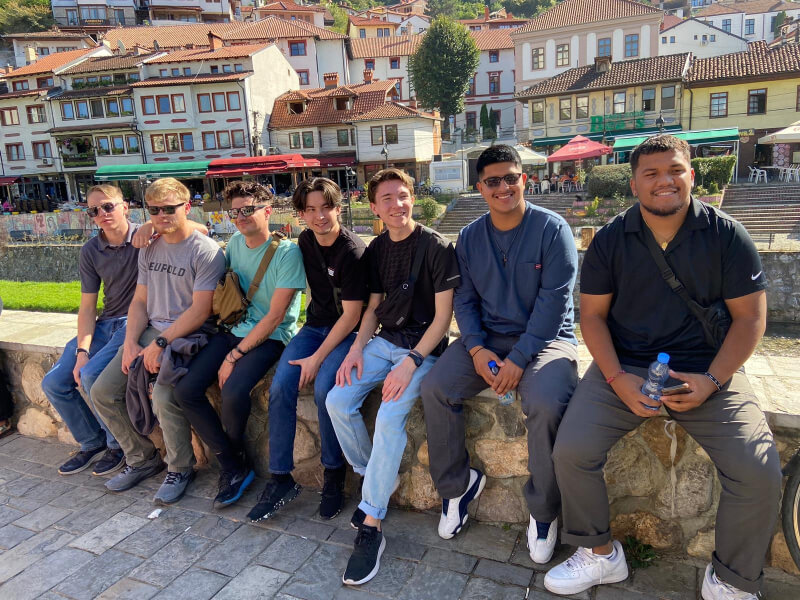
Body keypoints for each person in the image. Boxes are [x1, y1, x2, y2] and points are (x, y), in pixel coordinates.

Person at [544, 135, 781, 599]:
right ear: (634, 185)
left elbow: (751, 318)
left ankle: (731, 579)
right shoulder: (611, 239)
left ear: (691, 174)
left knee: (757, 469)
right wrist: (616, 378)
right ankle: (599, 555)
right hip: (626, 367)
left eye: (674, 170)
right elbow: (590, 316)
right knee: (571, 451)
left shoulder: (726, 234)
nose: (664, 181)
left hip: (707, 368)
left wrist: (713, 380)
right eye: (651, 173)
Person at [421, 144, 579, 563]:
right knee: (436, 387)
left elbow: (554, 304)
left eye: (512, 177)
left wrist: (519, 359)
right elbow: (465, 300)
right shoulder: (471, 237)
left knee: (544, 401)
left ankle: (544, 511)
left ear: (524, 179)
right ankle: (456, 488)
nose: (504, 187)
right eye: (494, 181)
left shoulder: (552, 229)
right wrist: (474, 347)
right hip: (488, 338)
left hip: (546, 342)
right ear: (480, 187)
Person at [326, 168, 460, 586]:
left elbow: (443, 319)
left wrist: (413, 360)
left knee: (388, 417)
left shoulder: (436, 247)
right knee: (337, 400)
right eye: (387, 199)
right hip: (384, 342)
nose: (397, 205)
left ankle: (373, 524)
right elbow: (373, 309)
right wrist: (355, 349)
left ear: (413, 197)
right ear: (373, 207)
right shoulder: (378, 250)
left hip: (425, 350)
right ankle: (376, 478)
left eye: (403, 196)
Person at [172, 181, 306, 509]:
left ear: (267, 211)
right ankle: (234, 465)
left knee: (232, 391)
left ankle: (234, 468)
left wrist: (234, 355)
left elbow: (275, 317)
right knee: (186, 390)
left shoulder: (287, 253)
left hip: (269, 338)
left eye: (248, 209)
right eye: (235, 211)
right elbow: (197, 230)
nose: (241, 217)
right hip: (232, 329)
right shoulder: (234, 242)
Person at [91, 177, 225, 503]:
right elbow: (139, 301)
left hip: (189, 334)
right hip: (151, 330)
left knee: (165, 396)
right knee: (102, 391)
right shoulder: (150, 247)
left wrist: (159, 344)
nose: (162, 216)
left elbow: (200, 311)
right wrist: (133, 342)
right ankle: (142, 458)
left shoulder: (205, 252)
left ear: (187, 207)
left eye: (169, 209)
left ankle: (180, 467)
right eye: (155, 210)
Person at [248, 177, 367, 522]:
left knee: (325, 389)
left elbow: (352, 317)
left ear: (338, 208)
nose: (320, 216)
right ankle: (281, 477)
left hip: (347, 332)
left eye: (326, 207)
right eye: (311, 210)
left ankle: (333, 475)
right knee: (282, 385)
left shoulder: (353, 251)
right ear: (300, 214)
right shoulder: (305, 241)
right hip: (314, 327)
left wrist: (317, 358)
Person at [41, 185, 136, 476]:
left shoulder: (147, 237)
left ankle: (116, 445)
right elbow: (87, 307)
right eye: (94, 210)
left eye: (108, 206)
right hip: (105, 323)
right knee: (54, 383)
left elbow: (195, 228)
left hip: (135, 322)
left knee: (92, 376)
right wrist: (82, 350)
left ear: (125, 206)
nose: (102, 214)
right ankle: (92, 441)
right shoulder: (91, 250)